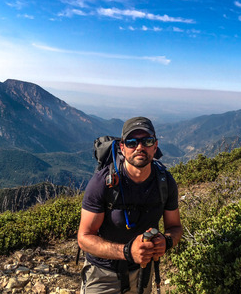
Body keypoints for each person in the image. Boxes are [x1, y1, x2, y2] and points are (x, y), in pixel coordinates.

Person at [78, 116, 183, 294]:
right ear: (122, 147)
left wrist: (166, 241)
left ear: (155, 146)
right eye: (132, 142)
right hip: (102, 273)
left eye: (147, 141)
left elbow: (175, 227)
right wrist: (127, 252)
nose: (140, 147)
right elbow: (84, 238)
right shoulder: (103, 182)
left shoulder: (165, 182)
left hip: (142, 272)